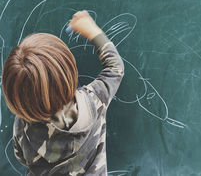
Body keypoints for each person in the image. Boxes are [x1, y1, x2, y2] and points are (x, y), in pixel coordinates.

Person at [2, 10, 124, 175]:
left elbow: (21, 157)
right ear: (70, 73)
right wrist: (93, 32)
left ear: (16, 99)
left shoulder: (22, 125)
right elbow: (115, 68)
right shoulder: (94, 101)